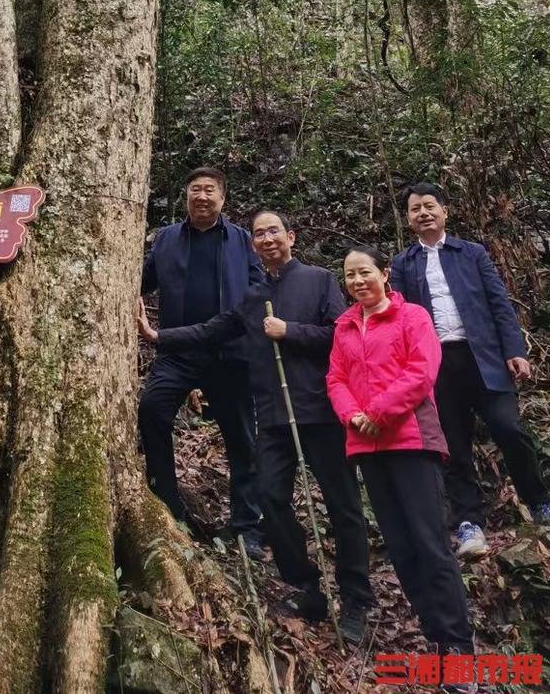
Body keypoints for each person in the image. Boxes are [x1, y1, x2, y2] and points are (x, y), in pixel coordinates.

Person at [138, 211, 373, 643]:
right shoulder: (252, 296)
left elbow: (340, 336)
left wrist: (290, 331)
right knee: (270, 497)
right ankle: (305, 584)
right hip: (275, 415)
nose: (266, 239)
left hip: (319, 411)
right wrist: (158, 337)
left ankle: (356, 599)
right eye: (259, 233)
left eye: (273, 231)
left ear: (291, 236)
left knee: (343, 505)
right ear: (252, 244)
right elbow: (214, 329)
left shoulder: (320, 280)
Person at [327, 245, 475, 674]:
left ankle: (458, 650)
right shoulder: (344, 327)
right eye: (350, 275)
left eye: (365, 272)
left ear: (384, 273)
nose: (357, 281)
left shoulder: (413, 317)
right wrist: (353, 414)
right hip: (368, 447)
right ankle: (436, 639)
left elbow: (422, 370)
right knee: (402, 548)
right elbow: (336, 377)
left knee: (430, 545)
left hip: (411, 442)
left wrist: (378, 413)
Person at [391, 182, 550, 557]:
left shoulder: (472, 253)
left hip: (483, 357)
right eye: (415, 209)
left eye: (430, 206)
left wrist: (514, 350)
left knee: (509, 429)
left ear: (445, 211)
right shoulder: (403, 264)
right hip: (436, 365)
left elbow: (499, 303)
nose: (423, 213)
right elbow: (399, 318)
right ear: (409, 220)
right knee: (453, 445)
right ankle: (469, 522)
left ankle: (539, 500)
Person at [138, 166, 264, 558]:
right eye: (196, 189)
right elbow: (138, 280)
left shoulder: (243, 242)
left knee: (241, 437)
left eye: (211, 190)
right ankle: (167, 506)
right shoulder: (167, 240)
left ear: (223, 198)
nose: (203, 196)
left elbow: (260, 288)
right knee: (152, 409)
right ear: (186, 196)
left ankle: (247, 526)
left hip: (230, 354)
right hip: (178, 353)